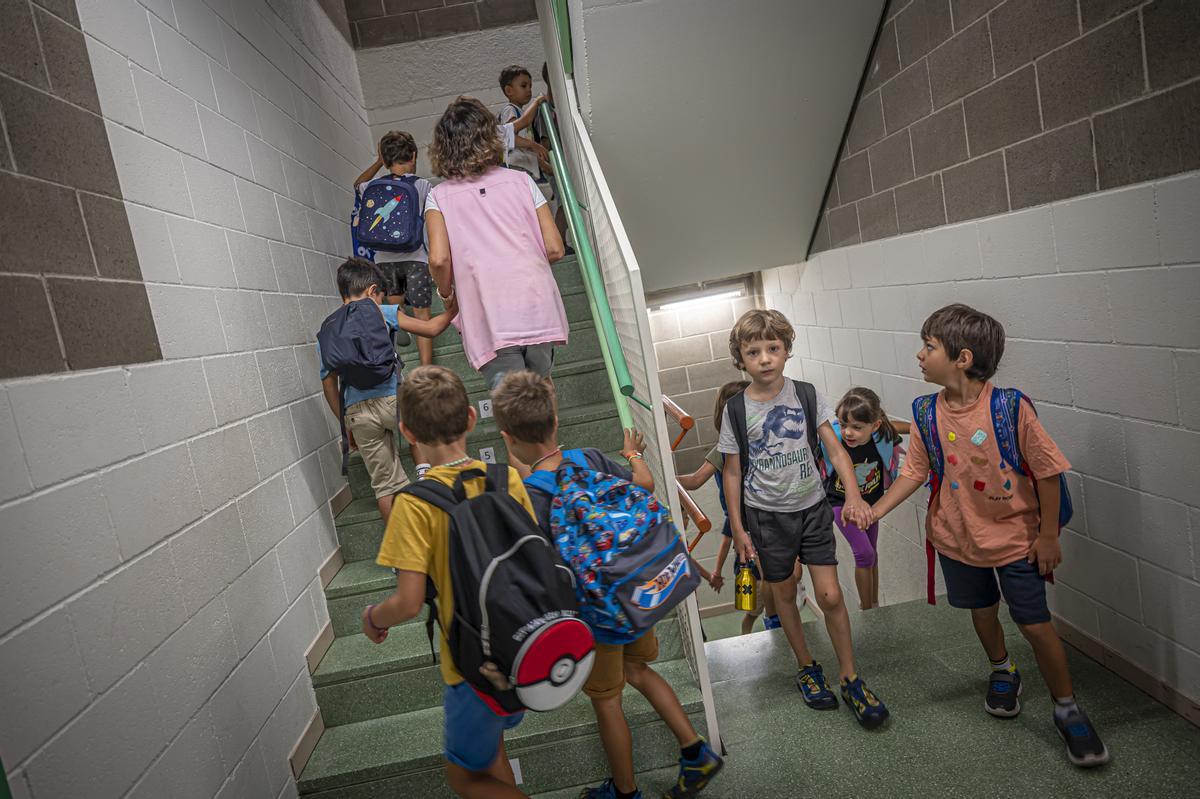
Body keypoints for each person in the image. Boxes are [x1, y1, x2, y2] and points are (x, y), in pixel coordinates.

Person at [867, 304, 1110, 767]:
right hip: (957, 540)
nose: (919, 355)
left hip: (1018, 540)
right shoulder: (924, 411)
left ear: (961, 358)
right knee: (981, 614)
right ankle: (1002, 670)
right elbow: (914, 471)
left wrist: (1049, 537)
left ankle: (1067, 708)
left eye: (928, 346)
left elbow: (1048, 471)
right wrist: (874, 510)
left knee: (1036, 625)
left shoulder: (1009, 408)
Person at [491, 371, 724, 799]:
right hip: (636, 596)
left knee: (607, 701)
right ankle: (696, 753)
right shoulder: (590, 460)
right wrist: (633, 455)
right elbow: (646, 487)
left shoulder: (528, 496)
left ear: (508, 438)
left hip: (595, 619)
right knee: (639, 669)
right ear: (555, 421)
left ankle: (624, 792)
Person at [362, 365, 536, 799]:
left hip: (469, 663)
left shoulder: (413, 504)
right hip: (519, 646)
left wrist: (372, 617)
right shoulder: (506, 478)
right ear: (472, 420)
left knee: (463, 778)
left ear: (405, 432)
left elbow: (408, 601)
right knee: (491, 749)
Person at [718, 309, 889, 729]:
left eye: (772, 348)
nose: (764, 358)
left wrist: (852, 494)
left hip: (812, 509)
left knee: (830, 596)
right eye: (753, 351)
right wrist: (739, 529)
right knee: (786, 593)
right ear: (740, 358)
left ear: (787, 350)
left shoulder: (808, 395)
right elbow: (733, 472)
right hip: (766, 518)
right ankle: (807, 667)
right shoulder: (736, 410)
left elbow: (835, 451)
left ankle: (850, 676)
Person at [426, 97, 568, 390]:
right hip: (537, 306)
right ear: (490, 136)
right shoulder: (522, 181)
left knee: (515, 406)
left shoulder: (438, 196)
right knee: (542, 388)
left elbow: (439, 260)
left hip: (490, 315)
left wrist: (445, 293)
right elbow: (555, 247)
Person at [317, 259, 457, 521]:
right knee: (421, 435)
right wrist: (454, 307)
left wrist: (346, 425)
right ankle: (427, 480)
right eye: (380, 295)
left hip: (357, 414)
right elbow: (431, 328)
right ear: (372, 291)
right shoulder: (383, 312)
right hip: (394, 400)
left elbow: (328, 386)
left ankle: (403, 553)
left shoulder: (327, 329)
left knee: (385, 488)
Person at [677, 380, 781, 635]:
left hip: (771, 517)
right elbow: (694, 480)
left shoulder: (764, 441)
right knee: (764, 576)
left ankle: (775, 618)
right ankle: (772, 621)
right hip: (745, 524)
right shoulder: (722, 450)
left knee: (779, 574)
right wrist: (666, 479)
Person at [820, 387, 909, 610]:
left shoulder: (882, 434)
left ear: (874, 426)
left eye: (857, 427)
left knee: (872, 553)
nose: (848, 432)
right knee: (864, 554)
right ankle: (866, 609)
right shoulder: (836, 439)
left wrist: (919, 427)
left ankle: (874, 604)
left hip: (872, 502)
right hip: (840, 502)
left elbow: (894, 426)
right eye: (843, 424)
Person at [352, 131, 435, 363]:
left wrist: (379, 162)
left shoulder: (369, 186)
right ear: (414, 155)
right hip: (415, 256)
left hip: (383, 259)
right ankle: (426, 367)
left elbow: (356, 183)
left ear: (386, 159)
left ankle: (401, 323)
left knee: (394, 297)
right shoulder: (422, 185)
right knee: (423, 314)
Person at [497, 65, 553, 187]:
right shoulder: (510, 110)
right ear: (509, 91)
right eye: (523, 86)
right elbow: (510, 136)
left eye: (530, 86)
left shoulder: (519, 112)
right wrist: (537, 101)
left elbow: (525, 148)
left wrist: (543, 165)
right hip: (515, 167)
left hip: (525, 168)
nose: (528, 90)